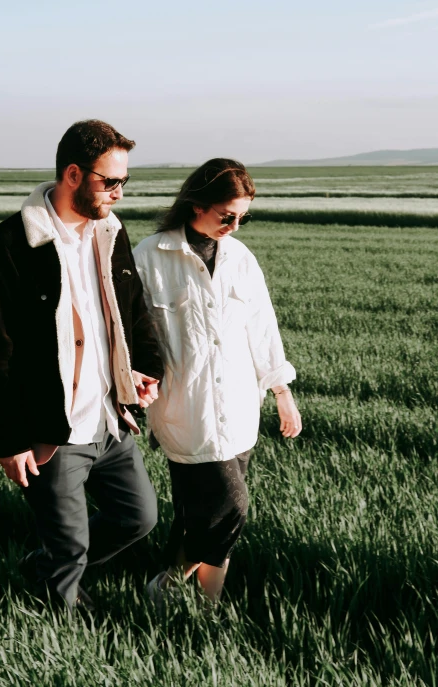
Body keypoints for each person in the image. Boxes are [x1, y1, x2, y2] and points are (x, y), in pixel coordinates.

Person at [0, 119, 164, 613]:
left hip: (108, 421)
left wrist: (144, 370)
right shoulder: (8, 246)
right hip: (51, 431)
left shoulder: (111, 233)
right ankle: (62, 630)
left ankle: (48, 567)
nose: (119, 192)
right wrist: (9, 439)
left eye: (124, 180)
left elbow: (133, 312)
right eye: (110, 181)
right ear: (73, 175)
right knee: (70, 547)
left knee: (137, 517)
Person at [133, 158, 302, 606]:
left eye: (243, 217)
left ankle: (166, 585)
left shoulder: (240, 258)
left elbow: (263, 329)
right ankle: (208, 608)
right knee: (231, 508)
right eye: (228, 215)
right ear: (196, 204)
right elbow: (128, 336)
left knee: (203, 514)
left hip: (241, 409)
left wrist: (283, 394)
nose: (236, 226)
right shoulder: (150, 256)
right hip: (184, 412)